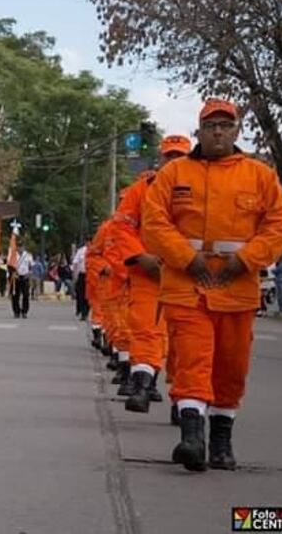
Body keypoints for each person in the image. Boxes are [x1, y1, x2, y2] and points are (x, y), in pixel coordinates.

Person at [143, 98, 282, 472]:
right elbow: (154, 222)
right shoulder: (174, 173)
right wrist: (185, 258)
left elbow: (280, 227)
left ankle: (221, 441)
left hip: (236, 288)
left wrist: (244, 261)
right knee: (192, 360)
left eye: (226, 125)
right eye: (211, 126)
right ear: (200, 131)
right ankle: (192, 438)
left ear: (237, 131)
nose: (218, 131)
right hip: (186, 284)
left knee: (231, 367)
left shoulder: (259, 176)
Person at [111, 134, 191, 414]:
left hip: (187, 276)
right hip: (147, 273)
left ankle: (184, 401)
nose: (174, 161)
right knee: (145, 330)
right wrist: (140, 257)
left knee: (184, 341)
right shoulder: (140, 190)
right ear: (161, 158)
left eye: (180, 156)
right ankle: (143, 385)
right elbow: (122, 226)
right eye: (170, 156)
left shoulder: (202, 189)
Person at [12, 242, 33, 319]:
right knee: (15, 295)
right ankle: (16, 311)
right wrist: (13, 273)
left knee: (26, 294)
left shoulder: (28, 256)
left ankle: (24, 311)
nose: (20, 248)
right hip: (16, 277)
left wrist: (29, 273)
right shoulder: (13, 255)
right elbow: (10, 266)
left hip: (25, 276)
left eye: (21, 247)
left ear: (24, 247)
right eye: (19, 246)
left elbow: (31, 266)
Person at [72, 243, 89, 320]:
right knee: (81, 294)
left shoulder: (96, 250)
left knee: (88, 295)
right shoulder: (81, 251)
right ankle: (82, 311)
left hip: (91, 275)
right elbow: (75, 263)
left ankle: (86, 311)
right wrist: (75, 275)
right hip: (82, 274)